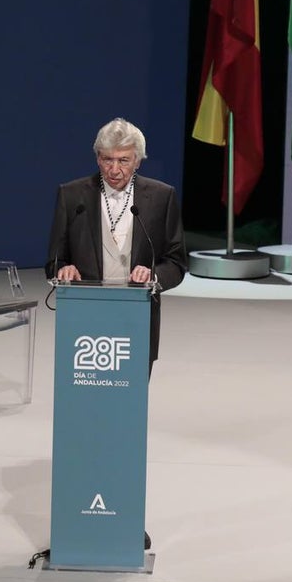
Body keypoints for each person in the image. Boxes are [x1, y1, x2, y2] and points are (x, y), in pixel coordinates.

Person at [44, 116, 186, 550]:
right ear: (97, 158)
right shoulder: (73, 196)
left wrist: (153, 274)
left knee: (124, 425)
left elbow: (178, 262)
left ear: (138, 159)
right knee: (85, 422)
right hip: (84, 330)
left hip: (135, 326)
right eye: (107, 160)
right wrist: (63, 269)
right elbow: (53, 260)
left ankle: (124, 513)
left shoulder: (160, 198)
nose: (115, 169)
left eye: (124, 160)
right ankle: (78, 508)